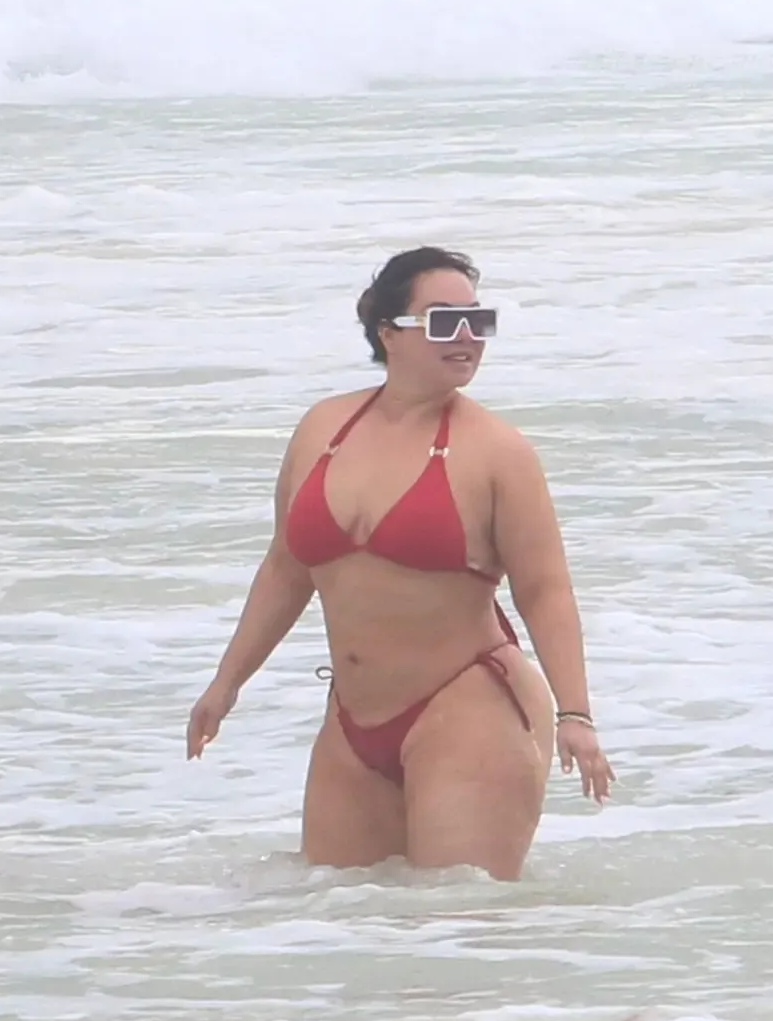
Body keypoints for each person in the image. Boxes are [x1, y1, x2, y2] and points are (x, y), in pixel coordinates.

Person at [186, 246, 614, 881]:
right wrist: (227, 683)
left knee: (457, 919)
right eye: (445, 321)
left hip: (467, 710)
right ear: (388, 332)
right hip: (351, 724)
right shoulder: (322, 429)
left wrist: (575, 715)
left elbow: (545, 590)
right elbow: (286, 569)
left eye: (479, 320)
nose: (467, 337)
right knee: (339, 916)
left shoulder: (499, 452)